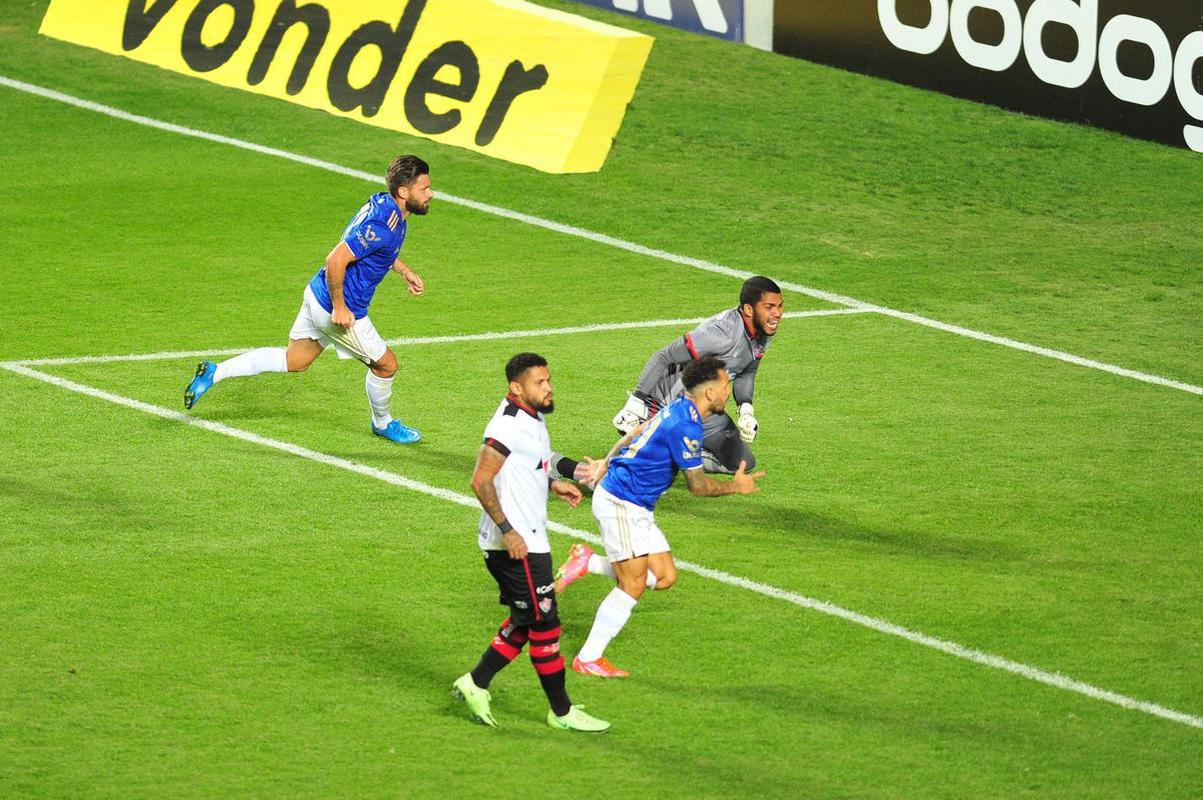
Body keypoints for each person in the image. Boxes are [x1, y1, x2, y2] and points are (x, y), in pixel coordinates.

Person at [183, 155, 433, 444]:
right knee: (386, 365)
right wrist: (340, 307)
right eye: (424, 188)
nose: (430, 194)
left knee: (295, 360)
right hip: (339, 309)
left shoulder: (385, 206)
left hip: (316, 293)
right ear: (403, 192)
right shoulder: (383, 225)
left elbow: (373, 251)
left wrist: (404, 271)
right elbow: (336, 259)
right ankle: (383, 423)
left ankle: (215, 372)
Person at [558, 357, 765, 678]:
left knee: (665, 577)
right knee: (633, 584)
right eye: (726, 385)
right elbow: (697, 486)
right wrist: (736, 487)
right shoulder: (685, 424)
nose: (729, 391)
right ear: (710, 392)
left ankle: (588, 562)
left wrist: (605, 461)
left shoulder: (681, 407)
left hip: (637, 506)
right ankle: (588, 657)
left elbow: (637, 432)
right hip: (621, 503)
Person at [453, 352, 610, 733]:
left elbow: (532, 461)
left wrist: (555, 482)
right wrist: (508, 531)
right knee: (546, 627)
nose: (548, 387)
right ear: (516, 387)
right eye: (540, 382)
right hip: (516, 545)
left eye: (548, 379)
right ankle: (562, 711)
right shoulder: (506, 426)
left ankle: (475, 683)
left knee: (527, 621)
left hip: (530, 539)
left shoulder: (532, 416)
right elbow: (480, 479)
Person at [612, 276, 784, 473]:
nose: (777, 313)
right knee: (636, 470)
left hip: (704, 409)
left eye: (780, 306)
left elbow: (747, 370)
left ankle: (672, 453)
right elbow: (663, 356)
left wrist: (746, 411)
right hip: (669, 405)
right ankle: (646, 432)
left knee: (742, 463)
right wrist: (635, 403)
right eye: (769, 307)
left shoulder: (764, 330)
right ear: (749, 310)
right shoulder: (721, 333)